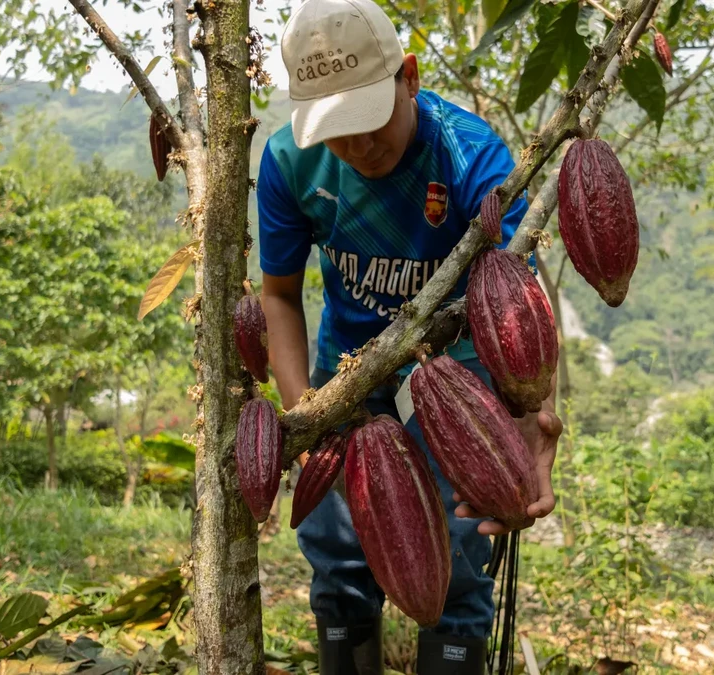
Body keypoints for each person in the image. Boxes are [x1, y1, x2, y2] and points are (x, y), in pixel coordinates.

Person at [256, 0, 562, 671]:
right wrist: (304, 406)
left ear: (410, 78)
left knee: (458, 546)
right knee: (337, 550)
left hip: (457, 364)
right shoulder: (290, 163)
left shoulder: (469, 154)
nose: (359, 148)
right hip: (351, 367)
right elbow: (278, 296)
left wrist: (531, 414)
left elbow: (518, 299)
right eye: (336, 132)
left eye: (369, 122)